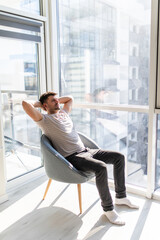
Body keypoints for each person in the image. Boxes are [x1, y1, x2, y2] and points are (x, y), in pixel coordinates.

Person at [22, 92, 139, 225]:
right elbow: (25, 104)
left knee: (119, 157)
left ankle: (121, 197)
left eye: (57, 100)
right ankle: (108, 209)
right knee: (101, 168)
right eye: (53, 101)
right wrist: (39, 105)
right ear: (45, 105)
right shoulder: (44, 120)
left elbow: (70, 98)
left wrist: (55, 101)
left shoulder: (63, 113)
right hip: (73, 157)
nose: (57, 102)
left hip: (87, 151)